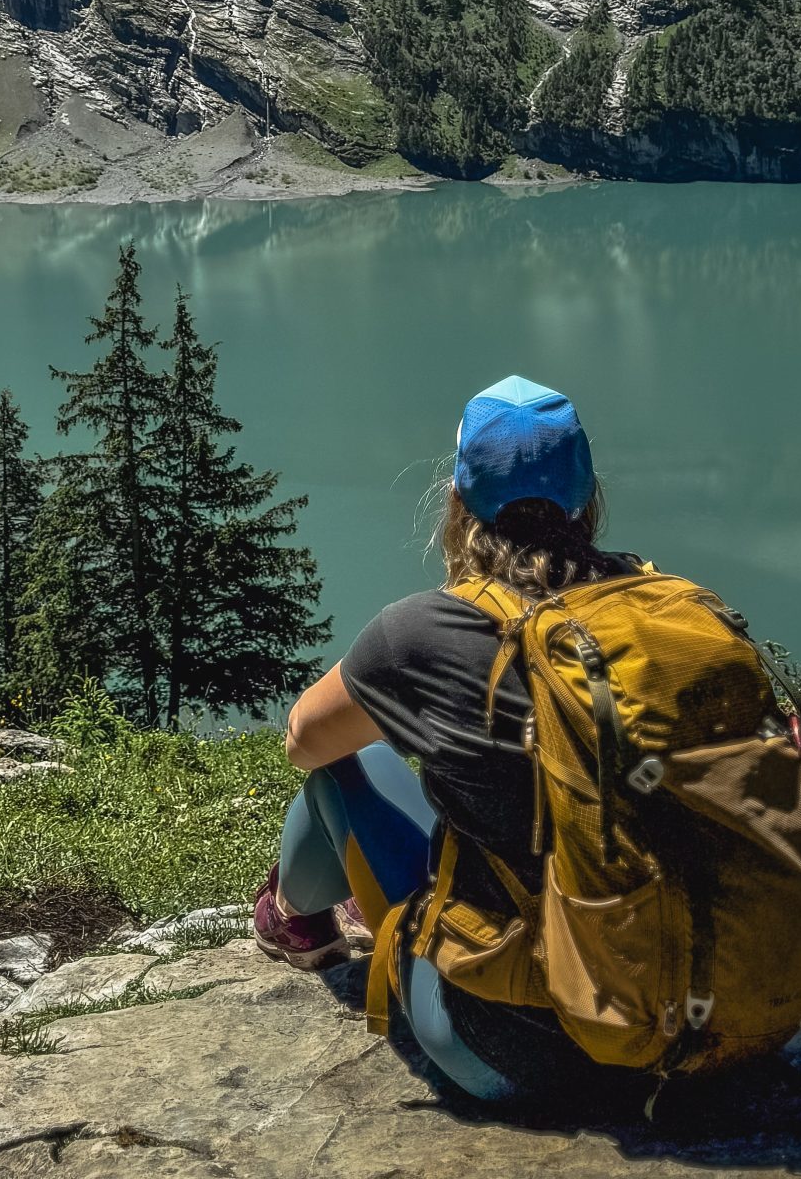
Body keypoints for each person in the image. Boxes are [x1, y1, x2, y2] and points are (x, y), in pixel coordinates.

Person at [254, 373, 642, 1107]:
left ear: (458, 499)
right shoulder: (659, 610)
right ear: (587, 497)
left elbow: (304, 739)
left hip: (515, 1051)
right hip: (698, 1014)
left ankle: (293, 919)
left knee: (350, 765)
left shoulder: (424, 631)